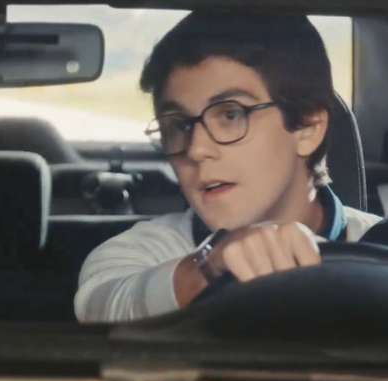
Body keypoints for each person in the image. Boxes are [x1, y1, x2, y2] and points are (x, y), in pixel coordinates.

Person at [75, 13, 382, 323]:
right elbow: (103, 309)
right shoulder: (138, 253)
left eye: (231, 115)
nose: (196, 149)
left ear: (307, 128)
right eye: (178, 125)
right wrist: (211, 266)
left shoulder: (377, 244)